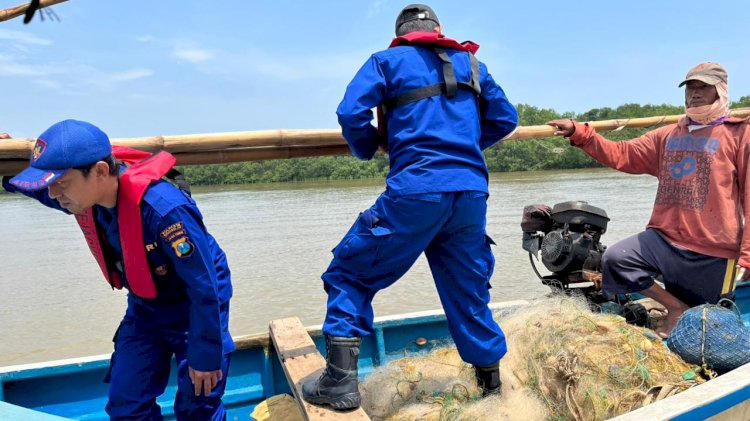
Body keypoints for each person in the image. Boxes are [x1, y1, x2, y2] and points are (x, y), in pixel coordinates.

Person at [302, 4, 518, 410]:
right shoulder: (473, 64)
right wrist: (464, 150)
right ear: (438, 31)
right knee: (467, 290)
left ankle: (340, 383)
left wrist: (368, 146)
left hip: (417, 189)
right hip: (470, 194)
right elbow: (506, 119)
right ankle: (491, 387)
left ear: (401, 34)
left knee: (350, 273)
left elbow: (350, 112)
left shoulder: (385, 62)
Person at [1, 120, 234, 420]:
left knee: (198, 407)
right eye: (50, 184)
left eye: (61, 183)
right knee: (127, 407)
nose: (54, 194)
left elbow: (205, 286)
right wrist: (6, 164)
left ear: (99, 171)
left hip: (194, 307)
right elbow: (38, 189)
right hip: (146, 307)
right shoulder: (86, 197)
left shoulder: (165, 210)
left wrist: (206, 355)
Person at [548, 62, 750, 338]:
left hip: (713, 250)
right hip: (664, 239)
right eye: (690, 87)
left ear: (721, 90)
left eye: (703, 86)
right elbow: (622, 153)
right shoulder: (667, 135)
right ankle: (673, 307)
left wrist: (748, 255)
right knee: (616, 260)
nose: (695, 93)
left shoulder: (740, 135)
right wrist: (581, 133)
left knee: (706, 329)